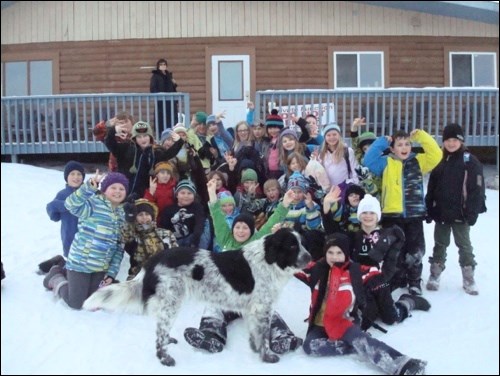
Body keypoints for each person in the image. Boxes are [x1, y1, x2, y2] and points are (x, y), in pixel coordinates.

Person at [183, 178, 303, 355]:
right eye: (237, 227)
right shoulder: (225, 238)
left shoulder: (256, 242)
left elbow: (272, 223)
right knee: (213, 307)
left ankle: (282, 336)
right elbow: (217, 217)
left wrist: (284, 204)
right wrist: (211, 195)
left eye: (245, 228)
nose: (240, 231)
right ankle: (211, 336)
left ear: (251, 231)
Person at [298, 233, 427, 375]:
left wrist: (390, 252)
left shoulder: (354, 271)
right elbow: (288, 265)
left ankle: (403, 364)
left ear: (346, 253)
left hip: (344, 322)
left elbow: (379, 273)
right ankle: (354, 345)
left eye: (339, 253)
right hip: (319, 324)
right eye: (330, 252)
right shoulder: (316, 269)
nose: (334, 257)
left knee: (366, 343)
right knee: (309, 346)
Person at [364, 129, 442, 296]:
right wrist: (382, 142)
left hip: (414, 214)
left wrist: (421, 136)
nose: (404, 147)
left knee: (415, 249)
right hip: (392, 215)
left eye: (407, 144)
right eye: (399, 144)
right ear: (392, 149)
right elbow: (368, 160)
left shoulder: (419, 161)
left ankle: (414, 280)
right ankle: (395, 278)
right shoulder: (386, 163)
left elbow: (436, 155)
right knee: (394, 250)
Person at [42, 172, 129, 310]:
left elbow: (119, 248)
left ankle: (64, 268)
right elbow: (70, 205)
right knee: (76, 303)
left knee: (93, 301)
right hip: (80, 263)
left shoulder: (122, 215)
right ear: (105, 189)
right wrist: (88, 188)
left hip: (100, 267)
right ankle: (55, 275)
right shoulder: (93, 203)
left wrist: (111, 274)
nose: (117, 191)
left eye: (122, 188)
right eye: (113, 187)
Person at [351, 194, 431, 331]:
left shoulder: (386, 236)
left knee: (391, 318)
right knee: (369, 316)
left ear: (378, 216)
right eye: (364, 212)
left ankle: (407, 302)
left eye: (372, 213)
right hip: (363, 285)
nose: (368, 216)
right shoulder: (355, 237)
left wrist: (384, 280)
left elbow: (392, 263)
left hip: (381, 282)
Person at [425, 123, 486, 295]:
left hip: (462, 213)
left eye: (454, 140)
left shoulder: (470, 161)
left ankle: (468, 277)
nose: (451, 143)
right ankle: (435, 274)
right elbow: (432, 187)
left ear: (461, 141)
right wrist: (429, 207)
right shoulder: (440, 160)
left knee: (464, 245)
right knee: (440, 244)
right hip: (442, 212)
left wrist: (473, 211)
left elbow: (477, 189)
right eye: (447, 140)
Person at [39, 161, 85, 274]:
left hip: (87, 236)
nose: (76, 177)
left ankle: (59, 262)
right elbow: (53, 212)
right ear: (66, 177)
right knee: (74, 267)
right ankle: (57, 267)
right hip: (70, 235)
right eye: (72, 174)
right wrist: (65, 205)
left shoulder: (88, 193)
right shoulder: (62, 194)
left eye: (79, 174)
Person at [122, 199, 178, 280]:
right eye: (140, 215)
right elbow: (125, 237)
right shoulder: (133, 235)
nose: (144, 217)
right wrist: (129, 220)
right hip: (139, 277)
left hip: (164, 276)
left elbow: (176, 255)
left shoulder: (166, 233)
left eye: (147, 214)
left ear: (152, 216)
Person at [150, 58, 178, 132]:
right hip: (161, 103)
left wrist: (174, 84)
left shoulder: (169, 75)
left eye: (164, 64)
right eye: (161, 64)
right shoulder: (155, 76)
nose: (163, 66)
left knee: (172, 120)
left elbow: (173, 87)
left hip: (171, 103)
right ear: (158, 66)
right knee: (161, 120)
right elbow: (153, 88)